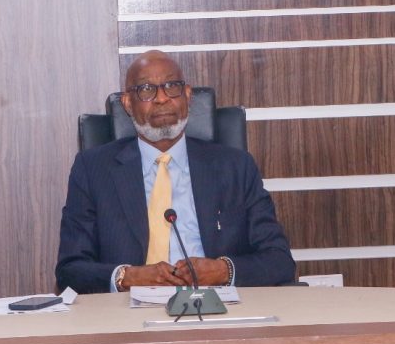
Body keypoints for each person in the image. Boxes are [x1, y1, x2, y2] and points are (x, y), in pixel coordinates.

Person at [56, 50, 295, 293]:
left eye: (171, 86)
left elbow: (279, 261)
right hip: (128, 315)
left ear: (187, 96)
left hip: (219, 310)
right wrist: (128, 276)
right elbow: (70, 270)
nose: (161, 98)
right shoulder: (93, 169)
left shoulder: (235, 167)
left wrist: (223, 271)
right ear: (128, 103)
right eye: (147, 89)